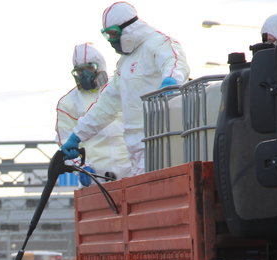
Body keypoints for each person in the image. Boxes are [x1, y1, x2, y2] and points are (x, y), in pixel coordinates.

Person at [60, 1, 190, 177]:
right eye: (108, 35)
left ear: (129, 28)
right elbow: (105, 106)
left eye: (113, 34)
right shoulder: (124, 64)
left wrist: (171, 81)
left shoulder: (158, 44)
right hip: (136, 152)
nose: (111, 40)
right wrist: (77, 137)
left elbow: (174, 62)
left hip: (163, 143)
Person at [56, 43, 131, 184]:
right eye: (80, 71)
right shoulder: (68, 103)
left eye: (90, 68)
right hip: (96, 178)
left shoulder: (118, 87)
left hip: (131, 170)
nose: (85, 74)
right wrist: (81, 166)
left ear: (100, 66)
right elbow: (65, 141)